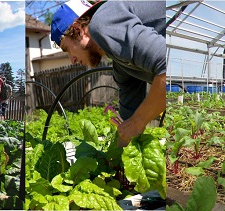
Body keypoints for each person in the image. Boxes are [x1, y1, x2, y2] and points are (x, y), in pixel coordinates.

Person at [51, 0, 167, 147]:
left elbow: (165, 65)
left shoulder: (102, 23)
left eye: (67, 49)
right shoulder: (121, 65)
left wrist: (138, 122)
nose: (72, 60)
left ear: (78, 30)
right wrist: (115, 159)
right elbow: (128, 122)